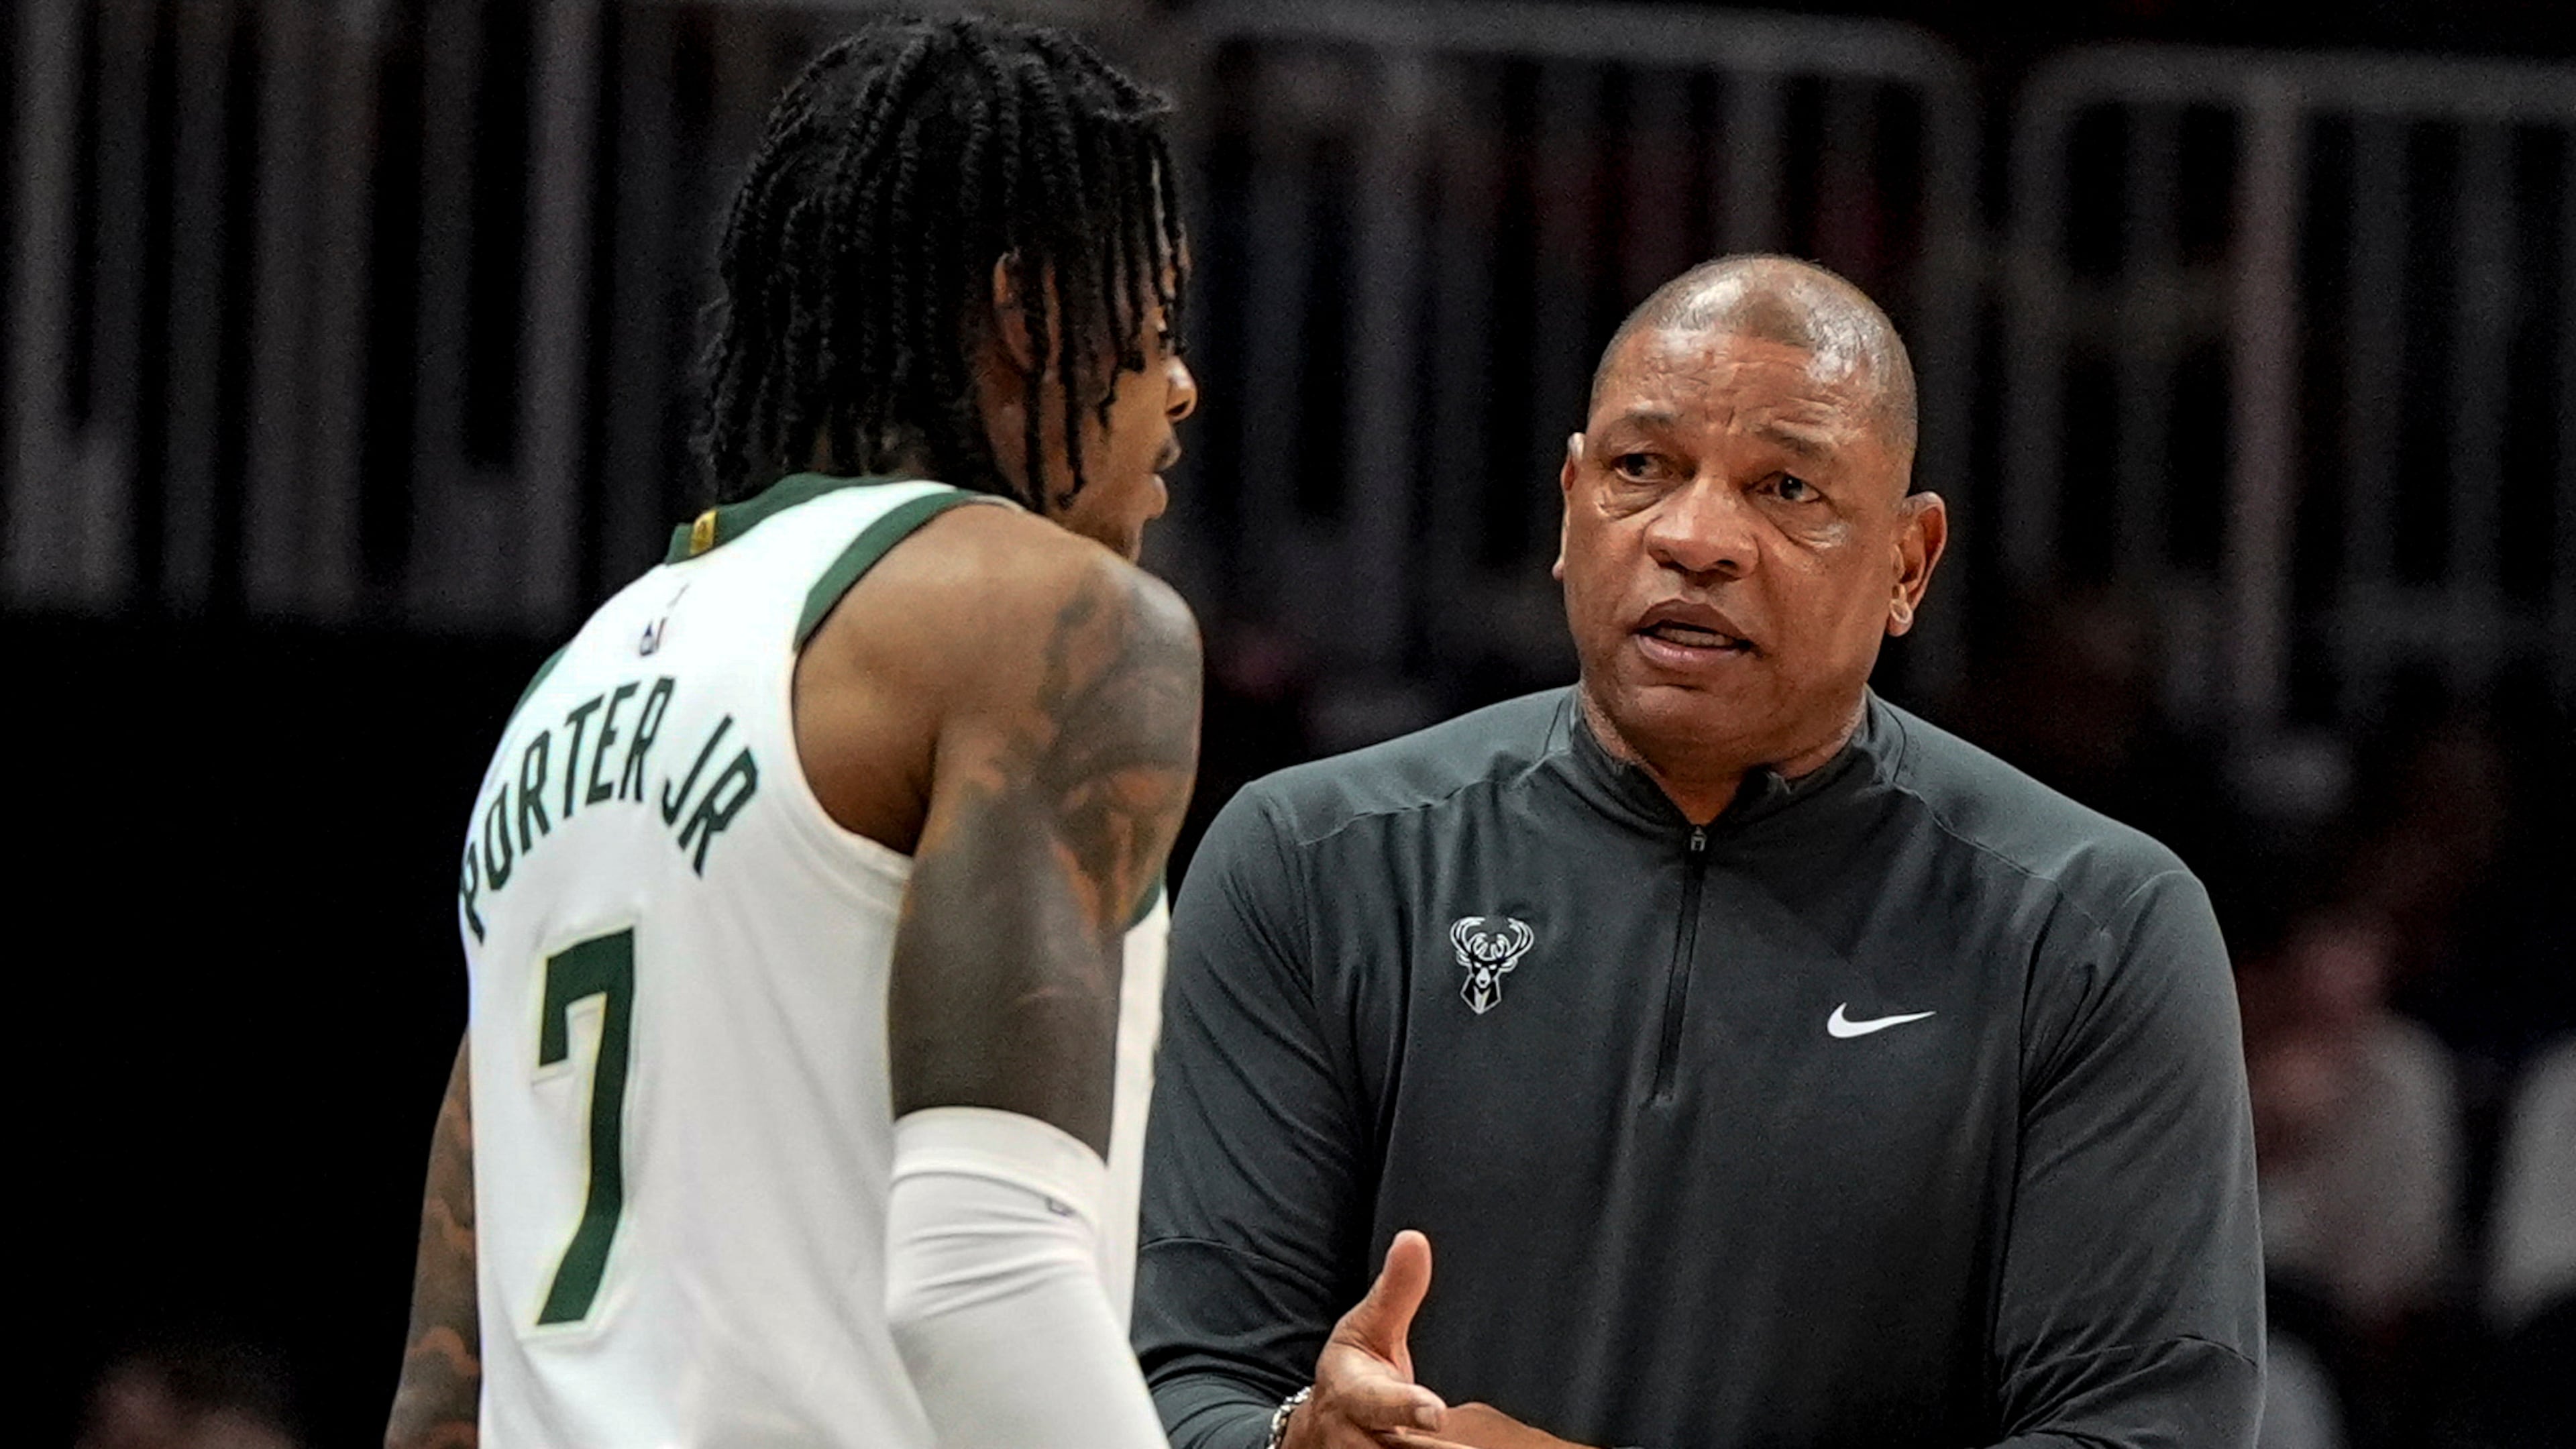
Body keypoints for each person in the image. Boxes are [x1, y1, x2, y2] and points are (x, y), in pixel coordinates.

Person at [1135, 255, 2263, 1449]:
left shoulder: (2094, 928)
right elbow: (1183, 1380)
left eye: (1785, 487)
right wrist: (1295, 1442)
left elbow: (2142, 1430)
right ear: (1570, 505)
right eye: (1641, 469)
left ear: (1907, 564)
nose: (1696, 537)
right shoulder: (1312, 862)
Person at [384, 17, 1201, 1449]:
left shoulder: (561, 692)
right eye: (1161, 316)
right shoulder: (1046, 621)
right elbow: (980, 1276)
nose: (1179, 383)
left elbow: (447, 1386)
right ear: (1029, 312)